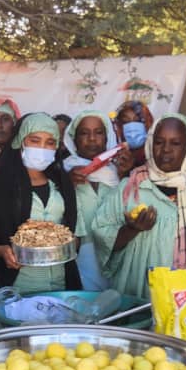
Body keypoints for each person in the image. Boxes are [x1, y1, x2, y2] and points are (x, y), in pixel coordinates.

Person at [0, 112, 83, 293]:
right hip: (18, 286)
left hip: (62, 285)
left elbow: (76, 234)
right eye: (35, 141)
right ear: (21, 142)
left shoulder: (62, 183)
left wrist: (60, 245)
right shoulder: (1, 183)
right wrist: (3, 251)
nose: (42, 148)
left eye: (50, 143)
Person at [92, 114, 186, 300]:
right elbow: (102, 235)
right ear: (150, 144)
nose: (165, 150)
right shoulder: (131, 187)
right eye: (159, 142)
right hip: (133, 293)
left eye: (175, 143)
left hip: (183, 299)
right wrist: (131, 230)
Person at [62, 110, 121, 291]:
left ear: (107, 137)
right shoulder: (62, 170)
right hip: (78, 256)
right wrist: (66, 184)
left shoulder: (118, 172)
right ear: (74, 139)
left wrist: (124, 175)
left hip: (114, 252)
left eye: (98, 132)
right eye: (84, 133)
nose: (92, 139)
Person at [113, 99, 154, 169]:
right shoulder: (114, 155)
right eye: (125, 122)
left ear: (147, 123)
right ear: (119, 126)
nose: (132, 127)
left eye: (137, 121)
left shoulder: (156, 154)